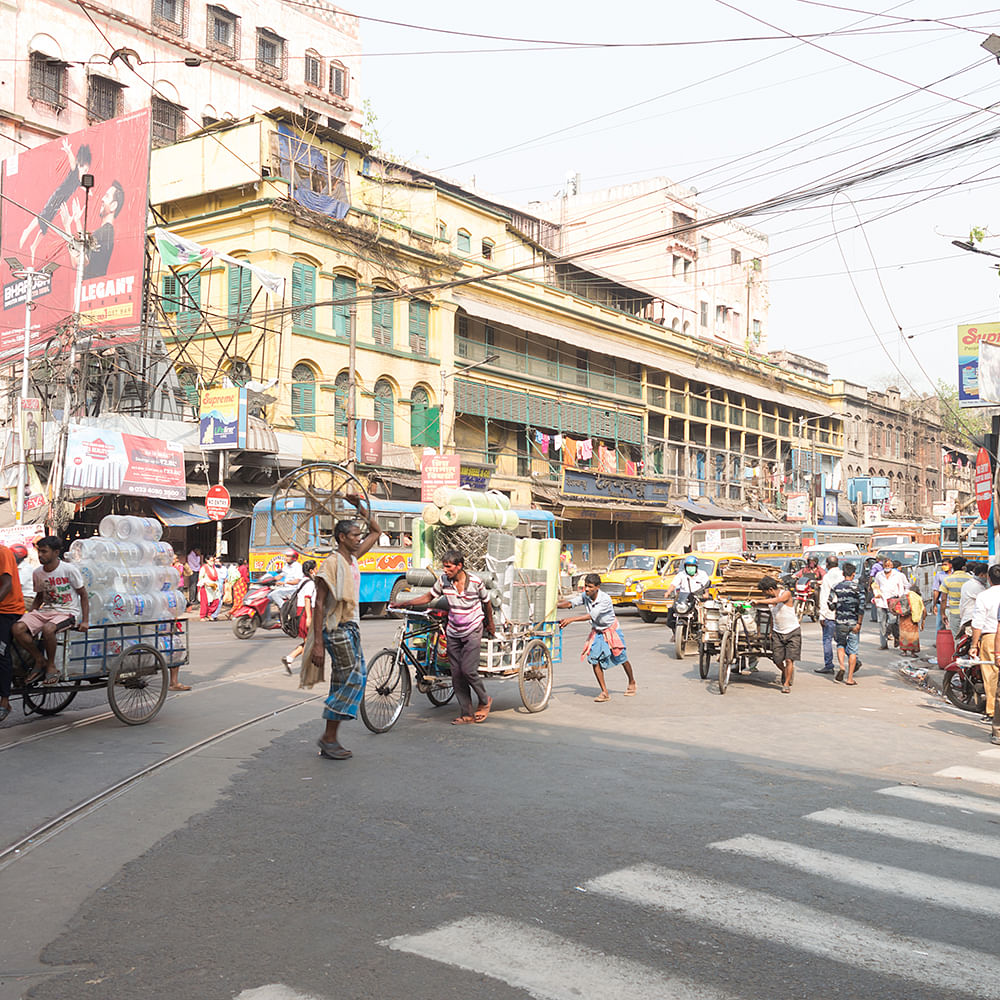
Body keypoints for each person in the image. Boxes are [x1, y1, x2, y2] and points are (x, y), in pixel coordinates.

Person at [307, 506, 382, 760]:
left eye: (359, 535)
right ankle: (328, 737)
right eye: (353, 535)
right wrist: (318, 643)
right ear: (341, 537)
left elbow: (376, 530)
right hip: (336, 629)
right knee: (353, 679)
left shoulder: (352, 558)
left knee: (345, 680)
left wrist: (358, 504)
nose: (359, 538)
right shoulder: (331, 563)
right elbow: (319, 604)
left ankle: (330, 738)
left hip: (351, 628)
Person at [394, 549, 497, 723]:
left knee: (468, 670)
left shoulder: (476, 582)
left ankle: (485, 700)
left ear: (459, 566)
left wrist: (490, 623)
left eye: (449, 567)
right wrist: (407, 602)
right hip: (453, 631)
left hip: (473, 629)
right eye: (444, 567)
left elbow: (486, 603)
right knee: (456, 673)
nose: (445, 570)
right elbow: (428, 596)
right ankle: (466, 714)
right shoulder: (443, 581)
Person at [12, 536, 89, 687]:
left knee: (48, 629)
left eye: (44, 552)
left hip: (67, 611)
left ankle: (51, 666)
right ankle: (40, 660)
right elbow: (39, 596)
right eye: (39, 552)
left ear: (56, 552)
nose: (40, 555)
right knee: (17, 628)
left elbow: (83, 595)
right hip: (46, 611)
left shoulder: (68, 570)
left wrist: (85, 620)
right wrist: (30, 615)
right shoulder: (38, 573)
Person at [557, 573, 637, 702]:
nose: (587, 589)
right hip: (598, 631)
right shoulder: (585, 596)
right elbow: (571, 603)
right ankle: (604, 692)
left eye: (590, 587)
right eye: (585, 586)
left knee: (621, 657)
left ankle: (632, 681)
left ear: (597, 587)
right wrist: (555, 605)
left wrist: (571, 619)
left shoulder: (605, 599)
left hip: (611, 630)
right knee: (594, 659)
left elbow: (591, 615)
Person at [755, 575, 799, 694]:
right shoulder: (770, 599)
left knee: (789, 659)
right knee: (777, 659)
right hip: (777, 631)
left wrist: (759, 601)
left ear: (770, 589)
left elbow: (777, 601)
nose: (765, 595)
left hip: (792, 631)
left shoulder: (786, 594)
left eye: (765, 592)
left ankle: (786, 684)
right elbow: (772, 616)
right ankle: (785, 671)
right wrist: (770, 631)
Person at [970, 565, 1000, 724]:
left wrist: (974, 645)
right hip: (993, 634)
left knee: (990, 676)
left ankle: (992, 712)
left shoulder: (984, 596)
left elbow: (978, 623)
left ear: (988, 578)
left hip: (990, 637)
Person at [0, 544, 26, 723]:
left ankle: (4, 702)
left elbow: (7, 585)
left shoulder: (2, 553)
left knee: (1, 652)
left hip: (7, 610)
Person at [831, 561, 864, 684]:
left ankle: (841, 666)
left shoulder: (836, 587)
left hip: (840, 622)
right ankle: (850, 678)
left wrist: (838, 607)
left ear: (843, 573)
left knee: (840, 644)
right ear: (853, 574)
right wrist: (859, 623)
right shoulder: (858, 588)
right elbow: (861, 608)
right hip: (853, 622)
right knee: (853, 650)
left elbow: (830, 604)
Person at [282, 560, 317, 675]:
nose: (317, 570)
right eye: (316, 568)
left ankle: (290, 658)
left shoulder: (303, 581)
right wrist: (308, 618)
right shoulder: (310, 583)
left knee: (309, 640)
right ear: (311, 571)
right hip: (306, 613)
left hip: (301, 612)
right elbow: (307, 599)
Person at [664, 555, 711, 634]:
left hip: (697, 598)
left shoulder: (703, 574)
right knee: (672, 611)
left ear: (696, 567)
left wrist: (706, 594)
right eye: (688, 566)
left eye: (692, 566)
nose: (690, 568)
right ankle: (675, 632)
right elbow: (673, 585)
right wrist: (668, 592)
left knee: (704, 615)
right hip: (684, 599)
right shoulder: (681, 575)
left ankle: (702, 631)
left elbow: (706, 586)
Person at [816, 555, 844, 675]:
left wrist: (822, 615)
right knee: (842, 641)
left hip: (830, 614)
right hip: (843, 614)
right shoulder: (843, 575)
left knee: (827, 640)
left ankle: (829, 665)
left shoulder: (827, 577)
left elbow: (824, 597)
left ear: (827, 565)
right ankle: (854, 659)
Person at [873, 557, 908, 649]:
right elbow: (876, 586)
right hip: (881, 602)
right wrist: (876, 596)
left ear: (892, 566)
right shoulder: (879, 575)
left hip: (894, 601)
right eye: (885, 565)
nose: (887, 567)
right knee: (882, 623)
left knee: (892, 622)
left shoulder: (897, 575)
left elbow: (901, 587)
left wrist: (900, 599)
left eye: (889, 565)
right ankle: (883, 644)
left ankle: (896, 636)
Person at [940, 555, 973, 638]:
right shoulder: (970, 579)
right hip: (968, 612)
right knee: (969, 637)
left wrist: (943, 613)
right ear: (964, 567)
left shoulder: (947, 580)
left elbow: (943, 599)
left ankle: (958, 650)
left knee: (956, 637)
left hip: (954, 613)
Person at [268, 550, 304, 624]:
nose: (286, 558)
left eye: (288, 556)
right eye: (286, 556)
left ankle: (285, 612)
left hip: (294, 589)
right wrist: (267, 580)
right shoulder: (286, 566)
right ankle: (272, 616)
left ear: (294, 558)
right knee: (268, 596)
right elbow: (279, 576)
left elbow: (296, 581)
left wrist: (284, 583)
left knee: (274, 594)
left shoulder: (298, 567)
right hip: (285, 588)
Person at [897, 581, 926, 657]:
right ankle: (912, 653)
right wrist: (923, 621)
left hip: (903, 618)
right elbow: (924, 610)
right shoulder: (918, 598)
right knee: (913, 636)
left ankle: (904, 652)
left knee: (903, 634)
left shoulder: (905, 596)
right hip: (913, 619)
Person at [959, 562, 987, 632]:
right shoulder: (977, 587)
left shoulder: (968, 583)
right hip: (972, 620)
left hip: (966, 618)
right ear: (982, 575)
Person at [932, 558, 953, 631]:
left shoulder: (955, 574)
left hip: (953, 604)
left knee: (951, 626)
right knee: (939, 625)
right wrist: (934, 604)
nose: (944, 566)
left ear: (951, 565)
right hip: (942, 603)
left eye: (945, 565)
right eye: (943, 565)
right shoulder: (939, 575)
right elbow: (936, 590)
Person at [198, 556, 220, 620]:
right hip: (206, 587)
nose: (212, 562)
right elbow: (201, 577)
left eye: (213, 561)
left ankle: (209, 614)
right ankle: (202, 616)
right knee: (204, 602)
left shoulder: (213, 568)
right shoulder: (204, 568)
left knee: (216, 601)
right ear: (207, 561)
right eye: (211, 560)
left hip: (213, 586)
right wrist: (205, 583)